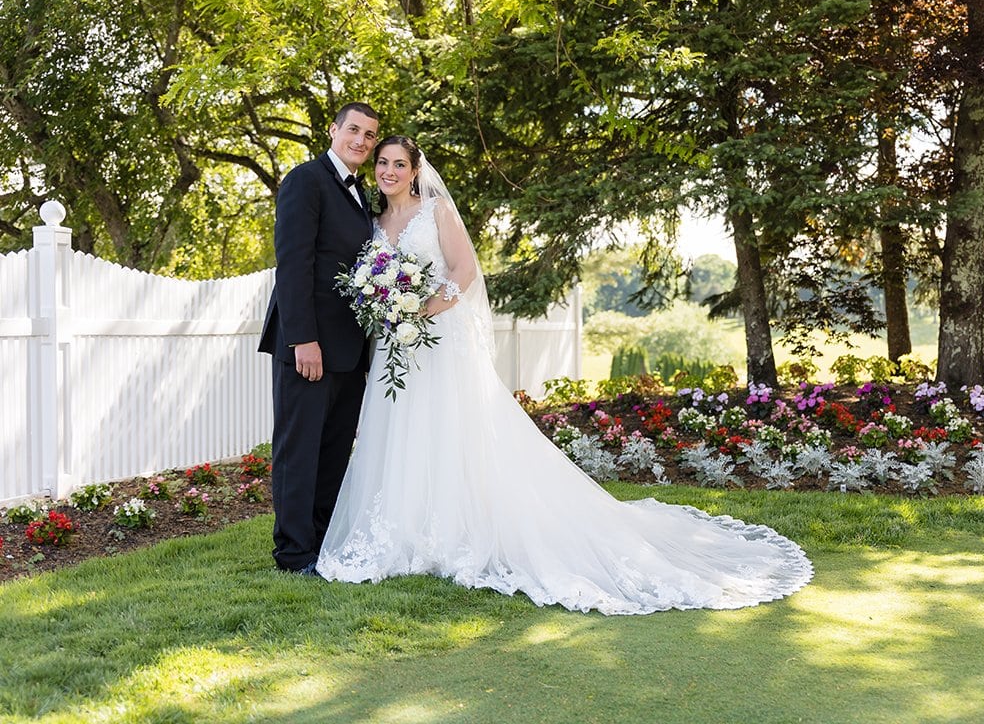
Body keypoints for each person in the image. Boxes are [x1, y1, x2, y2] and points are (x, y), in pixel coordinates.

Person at [316, 136, 813, 614]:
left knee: (452, 431)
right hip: (396, 344)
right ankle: (408, 530)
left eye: (399, 164)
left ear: (414, 171)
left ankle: (456, 530)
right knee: (404, 432)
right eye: (382, 163)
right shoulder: (374, 220)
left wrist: (424, 308)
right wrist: (388, 306)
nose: (388, 171)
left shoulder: (436, 211)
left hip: (440, 339)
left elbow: (464, 270)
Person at [258, 103, 380, 575]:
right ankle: (293, 553)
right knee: (299, 449)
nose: (361, 141)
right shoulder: (305, 181)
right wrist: (303, 341)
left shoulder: (359, 192)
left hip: (348, 349)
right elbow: (293, 264)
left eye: (370, 135)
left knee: (332, 450)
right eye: (354, 130)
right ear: (333, 130)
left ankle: (321, 542)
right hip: (308, 346)